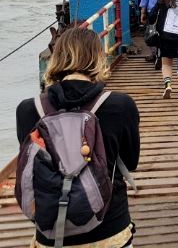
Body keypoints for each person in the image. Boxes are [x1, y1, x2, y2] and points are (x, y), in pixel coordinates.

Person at [16, 28, 140, 247]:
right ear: (98, 58)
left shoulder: (27, 109)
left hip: (51, 234)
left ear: (57, 58)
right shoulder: (120, 105)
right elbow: (131, 162)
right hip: (109, 231)